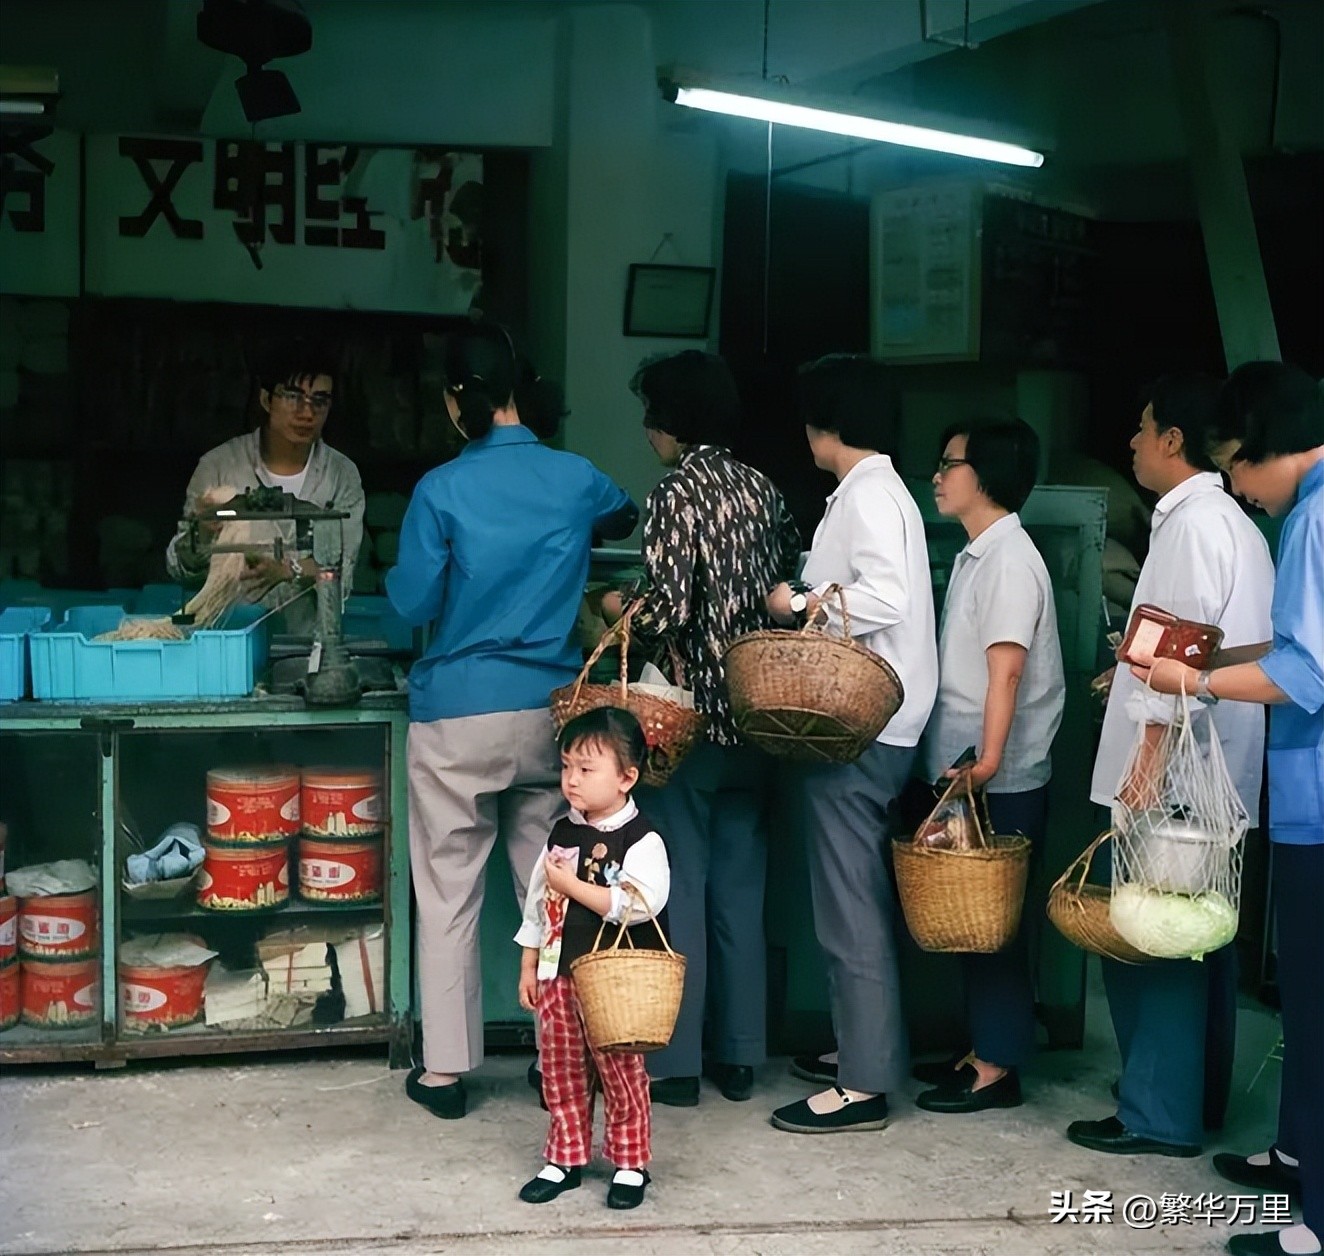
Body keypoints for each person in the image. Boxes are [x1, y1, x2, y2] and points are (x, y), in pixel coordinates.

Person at [386, 322, 638, 1120]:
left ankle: (444, 1072)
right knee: (553, 892)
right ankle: (554, 1056)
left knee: (449, 892)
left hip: (456, 718)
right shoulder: (571, 476)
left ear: (459, 401)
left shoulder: (438, 490)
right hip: (548, 722)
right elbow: (624, 514)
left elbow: (413, 603)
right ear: (518, 394)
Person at [1138, 362, 1322, 1256]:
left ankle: (1314, 1225)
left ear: (1261, 445)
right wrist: (1214, 657)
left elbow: (1310, 673)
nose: (1237, 485)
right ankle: (1298, 1157)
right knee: (1302, 1001)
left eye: (1237, 464)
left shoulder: (1314, 514)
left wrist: (1196, 678)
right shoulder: (1296, 515)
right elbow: (1289, 644)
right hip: (1299, 796)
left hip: (1320, 798)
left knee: (1317, 1004)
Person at [1067, 374, 1274, 1161]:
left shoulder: (1191, 528)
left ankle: (1157, 1113)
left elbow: (1177, 655)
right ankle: (1195, 1100)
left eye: (1141, 429)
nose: (1131, 444)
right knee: (1202, 936)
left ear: (1173, 441)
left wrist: (1144, 766)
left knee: (1152, 941)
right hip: (1219, 768)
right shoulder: (1235, 523)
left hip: (1175, 768)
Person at [598, 350, 801, 1109]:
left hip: (689, 725)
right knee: (740, 892)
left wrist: (621, 608)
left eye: (652, 414)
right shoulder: (762, 488)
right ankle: (743, 1054)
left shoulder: (676, 493)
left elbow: (670, 609)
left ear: (670, 422)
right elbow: (786, 578)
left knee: (676, 888)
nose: (648, 430)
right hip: (758, 718)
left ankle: (676, 1064)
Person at [764, 354, 938, 1134]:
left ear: (826, 422)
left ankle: (864, 1082)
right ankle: (858, 1048)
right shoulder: (875, 492)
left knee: (847, 905)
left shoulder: (870, 496)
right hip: (878, 725)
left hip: (862, 728)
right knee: (848, 898)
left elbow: (885, 596)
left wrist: (798, 600)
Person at [915, 418, 1065, 1113]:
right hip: (972, 769)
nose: (939, 475)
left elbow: (1004, 672)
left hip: (994, 776)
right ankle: (985, 1047)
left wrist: (990, 762)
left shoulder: (1009, 559)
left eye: (950, 463)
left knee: (994, 924)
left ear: (988, 474)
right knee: (973, 920)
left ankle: (999, 1064)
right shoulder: (982, 553)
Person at [513, 707, 670, 1211]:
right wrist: (529, 966)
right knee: (561, 1068)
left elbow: (640, 904)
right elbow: (539, 903)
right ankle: (566, 1154)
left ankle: (629, 1160)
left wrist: (573, 886)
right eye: (566, 767)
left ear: (627, 777)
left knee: (621, 1069)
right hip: (560, 971)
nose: (572, 780)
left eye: (587, 769)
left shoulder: (642, 838)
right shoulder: (561, 833)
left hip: (614, 980)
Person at [165, 343, 364, 635]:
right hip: (226, 642)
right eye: (294, 397)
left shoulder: (341, 476)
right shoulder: (218, 467)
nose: (307, 413)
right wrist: (203, 532)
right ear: (266, 399)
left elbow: (342, 570)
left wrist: (287, 570)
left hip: (305, 647)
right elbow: (179, 569)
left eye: (319, 401)